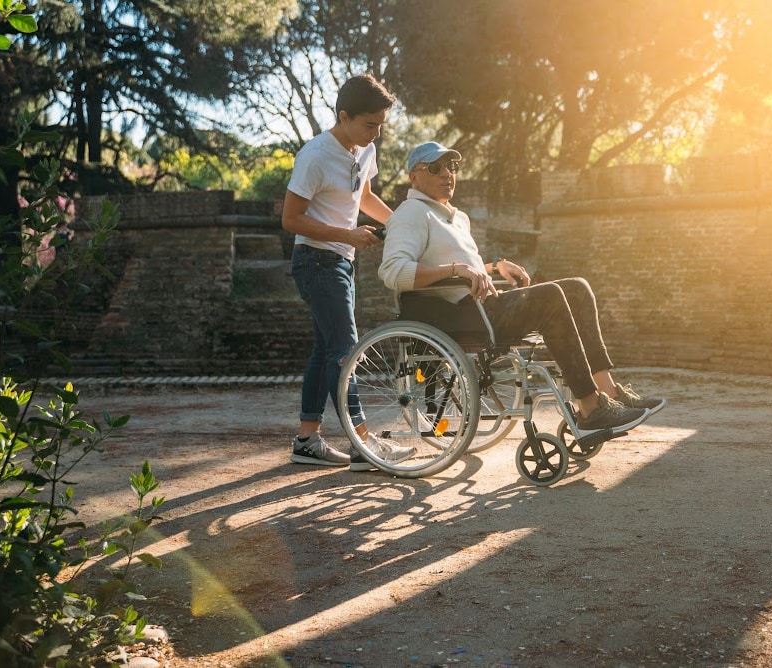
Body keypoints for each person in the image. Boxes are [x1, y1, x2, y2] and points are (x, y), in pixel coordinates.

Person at [379, 142, 666, 434]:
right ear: (414, 177)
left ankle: (610, 393)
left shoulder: (456, 217)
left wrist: (493, 267)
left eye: (452, 167)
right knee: (549, 297)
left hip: (484, 305)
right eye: (436, 168)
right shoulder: (410, 214)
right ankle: (590, 409)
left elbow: (463, 266)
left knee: (578, 288)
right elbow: (394, 272)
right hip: (460, 316)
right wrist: (457, 270)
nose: (448, 174)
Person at [282, 73, 415, 469]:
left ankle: (307, 440)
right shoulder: (315, 155)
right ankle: (363, 445)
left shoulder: (364, 150)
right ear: (343, 116)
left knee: (326, 349)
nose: (375, 134)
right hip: (316, 260)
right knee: (346, 351)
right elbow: (291, 219)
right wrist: (347, 234)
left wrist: (400, 226)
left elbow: (366, 196)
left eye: (380, 126)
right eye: (368, 124)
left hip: (340, 260)